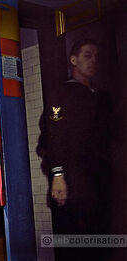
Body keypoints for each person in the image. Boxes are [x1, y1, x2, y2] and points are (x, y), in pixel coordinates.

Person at [37, 39, 111, 260]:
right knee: (75, 246)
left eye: (96, 56)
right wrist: (58, 174)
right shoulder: (63, 93)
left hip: (99, 182)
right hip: (72, 185)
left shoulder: (100, 97)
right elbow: (52, 137)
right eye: (88, 55)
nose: (94, 61)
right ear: (74, 60)